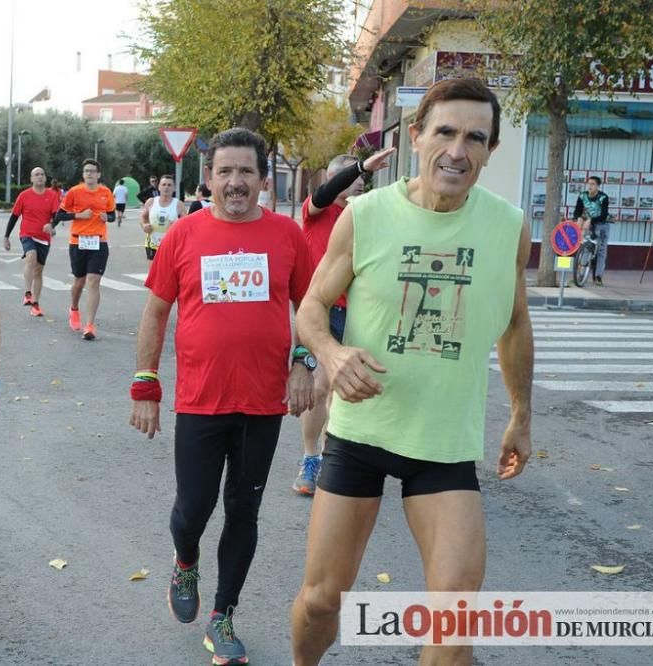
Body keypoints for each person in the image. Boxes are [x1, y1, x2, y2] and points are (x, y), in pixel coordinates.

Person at [289, 78, 533, 666]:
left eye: (475, 137)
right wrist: (332, 354)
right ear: (416, 136)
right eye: (445, 131)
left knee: (454, 620)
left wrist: (522, 415)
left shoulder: (508, 226)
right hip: (360, 436)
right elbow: (312, 308)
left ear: (491, 151)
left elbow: (516, 324)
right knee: (323, 602)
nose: (457, 150)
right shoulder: (366, 216)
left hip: (444, 445)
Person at [129, 127, 316, 666]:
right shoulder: (183, 235)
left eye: (246, 172)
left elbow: (310, 306)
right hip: (199, 399)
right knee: (194, 508)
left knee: (244, 509)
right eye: (225, 172)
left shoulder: (287, 236)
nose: (236, 182)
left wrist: (304, 362)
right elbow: (156, 311)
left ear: (262, 179)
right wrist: (145, 383)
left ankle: (222, 616)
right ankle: (184, 559)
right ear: (209, 177)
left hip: (262, 403)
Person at [291, 146, 395, 495]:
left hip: (359, 314)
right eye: (354, 179)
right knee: (319, 387)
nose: (361, 184)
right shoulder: (316, 212)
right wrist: (361, 166)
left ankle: (339, 457)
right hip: (323, 313)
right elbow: (324, 192)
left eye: (364, 180)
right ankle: (311, 459)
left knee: (347, 389)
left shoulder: (366, 217)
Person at [58, 158, 116, 340]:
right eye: (86, 171)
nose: (89, 174)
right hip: (78, 242)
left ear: (98, 174)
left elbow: (112, 214)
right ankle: (74, 308)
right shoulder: (75, 192)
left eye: (92, 171)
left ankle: (89, 325)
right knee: (79, 281)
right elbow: (60, 214)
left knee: (94, 281)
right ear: (83, 175)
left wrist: (109, 218)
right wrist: (79, 215)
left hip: (99, 242)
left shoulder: (106, 192)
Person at [4, 166, 57, 316]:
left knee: (39, 272)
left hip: (44, 238)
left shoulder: (52, 195)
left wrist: (52, 226)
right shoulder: (24, 195)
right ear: (31, 179)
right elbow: (14, 217)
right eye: (36, 174)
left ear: (45, 178)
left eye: (42, 174)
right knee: (31, 255)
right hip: (27, 234)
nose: (40, 177)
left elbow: (56, 215)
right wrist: (6, 236)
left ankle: (36, 303)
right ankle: (27, 293)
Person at [573, 175, 610, 285]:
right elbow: (577, 210)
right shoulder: (582, 196)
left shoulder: (603, 197)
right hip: (587, 225)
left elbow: (604, 215)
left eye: (593, 184)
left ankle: (598, 276)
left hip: (601, 225)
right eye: (589, 184)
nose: (590, 186)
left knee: (601, 251)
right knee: (584, 247)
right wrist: (579, 218)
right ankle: (580, 274)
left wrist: (591, 220)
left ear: (598, 186)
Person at [140, 174, 186, 262]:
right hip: (153, 243)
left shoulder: (179, 204)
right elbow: (143, 217)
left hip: (171, 245)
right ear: (159, 187)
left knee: (169, 273)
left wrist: (177, 226)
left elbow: (186, 224)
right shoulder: (151, 202)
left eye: (169, 185)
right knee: (153, 272)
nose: (166, 187)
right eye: (164, 185)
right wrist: (144, 225)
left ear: (174, 188)